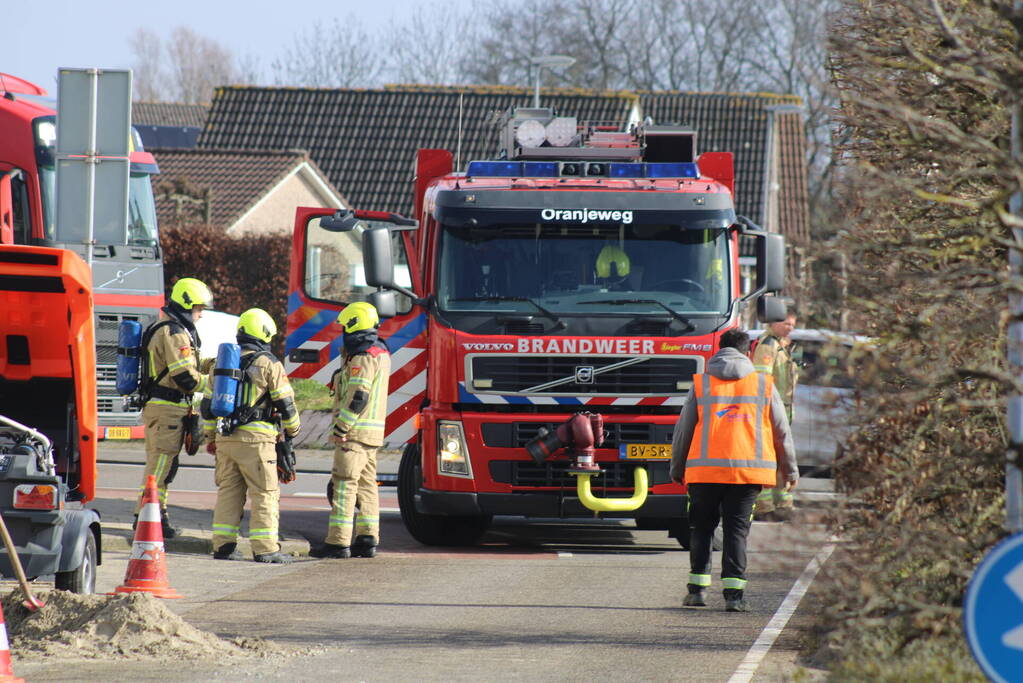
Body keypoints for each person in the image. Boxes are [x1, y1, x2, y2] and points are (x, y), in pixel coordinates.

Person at [669, 328, 798, 612]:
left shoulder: (702, 384)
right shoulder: (763, 384)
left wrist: (677, 468)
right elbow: (782, 431)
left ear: (719, 349)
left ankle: (697, 592)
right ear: (747, 352)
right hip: (747, 474)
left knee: (702, 529)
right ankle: (734, 597)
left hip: (704, 474)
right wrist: (790, 471)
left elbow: (683, 431)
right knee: (736, 531)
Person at [204, 308, 301, 564]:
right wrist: (293, 431)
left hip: (226, 438)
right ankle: (266, 548)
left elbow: (207, 406)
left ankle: (223, 546)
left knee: (229, 492)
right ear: (264, 334)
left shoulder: (220, 364)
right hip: (257, 441)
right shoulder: (268, 363)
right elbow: (286, 405)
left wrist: (209, 437)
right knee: (265, 493)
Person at [311, 302, 391, 559]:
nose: (343, 332)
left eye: (345, 326)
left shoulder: (363, 357)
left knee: (344, 485)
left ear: (354, 326)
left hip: (354, 434)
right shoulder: (381, 353)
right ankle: (367, 538)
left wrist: (341, 426)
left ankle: (337, 542)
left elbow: (358, 396)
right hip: (372, 433)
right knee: (367, 486)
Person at [135, 277, 213, 538]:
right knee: (160, 466)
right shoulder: (174, 332)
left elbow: (184, 367)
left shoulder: (175, 329)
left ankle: (158, 514)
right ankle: (146, 517)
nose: (201, 314)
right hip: (167, 407)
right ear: (187, 304)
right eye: (199, 308)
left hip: (169, 408)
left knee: (166, 466)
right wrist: (214, 383)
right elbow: (186, 378)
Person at [751, 312, 798, 521]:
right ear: (774, 323)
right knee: (769, 459)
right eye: (786, 324)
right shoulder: (768, 345)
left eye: (792, 325)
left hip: (782, 411)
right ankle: (764, 506)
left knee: (781, 458)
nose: (789, 328)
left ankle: (782, 504)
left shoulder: (780, 346)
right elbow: (761, 379)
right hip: (770, 411)